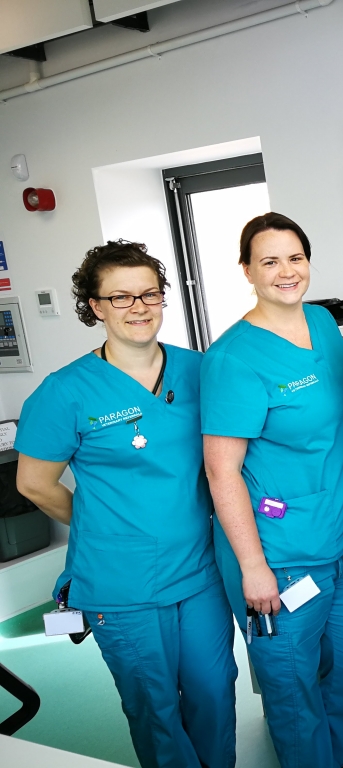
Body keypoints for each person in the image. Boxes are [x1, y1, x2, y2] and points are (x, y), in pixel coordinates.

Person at [15, 241, 236, 768]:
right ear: (95, 306)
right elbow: (35, 484)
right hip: (121, 583)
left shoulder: (199, 370)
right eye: (120, 297)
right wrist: (102, 527)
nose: (138, 307)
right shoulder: (65, 391)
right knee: (155, 708)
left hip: (200, 570)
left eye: (149, 294)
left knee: (214, 692)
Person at [201, 213, 343, 768]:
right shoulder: (232, 359)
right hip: (279, 560)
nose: (286, 271)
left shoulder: (323, 325)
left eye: (296, 258)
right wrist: (253, 567)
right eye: (270, 261)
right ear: (247, 270)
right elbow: (221, 473)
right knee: (293, 691)